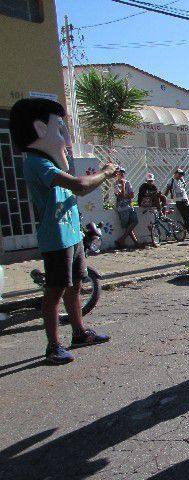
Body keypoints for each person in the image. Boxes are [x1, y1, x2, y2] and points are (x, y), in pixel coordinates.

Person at [10, 98, 117, 364]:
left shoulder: (50, 163)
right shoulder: (37, 163)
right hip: (56, 238)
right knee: (55, 291)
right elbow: (80, 185)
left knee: (76, 285)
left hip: (72, 234)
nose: (67, 142)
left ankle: (79, 333)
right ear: (39, 129)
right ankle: (53, 346)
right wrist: (105, 173)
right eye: (60, 131)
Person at [164, 168, 189, 242]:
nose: (180, 176)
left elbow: (184, 191)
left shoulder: (182, 181)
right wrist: (163, 199)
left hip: (186, 201)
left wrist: (187, 200)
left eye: (181, 174)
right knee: (186, 219)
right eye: (179, 174)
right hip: (179, 202)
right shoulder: (172, 181)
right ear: (175, 174)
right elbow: (167, 191)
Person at [113, 167, 141, 248]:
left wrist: (125, 194)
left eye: (122, 173)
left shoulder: (127, 183)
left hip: (129, 206)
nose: (121, 175)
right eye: (119, 174)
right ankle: (135, 242)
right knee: (128, 226)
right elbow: (121, 196)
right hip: (122, 207)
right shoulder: (115, 184)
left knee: (134, 221)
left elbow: (131, 195)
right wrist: (122, 185)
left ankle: (122, 239)